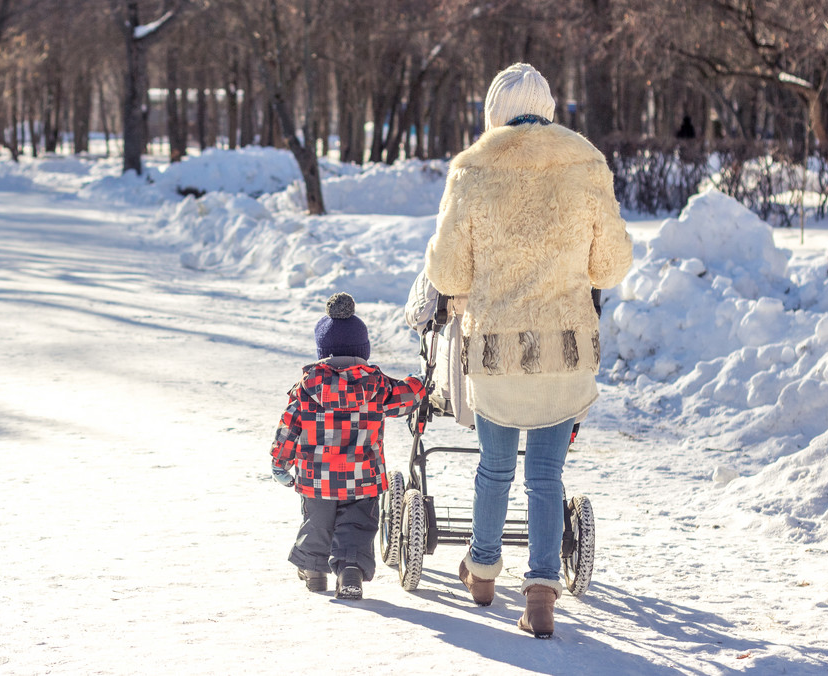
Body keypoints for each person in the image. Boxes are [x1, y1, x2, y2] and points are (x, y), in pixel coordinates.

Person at [421, 63, 633, 637]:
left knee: (494, 467)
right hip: (565, 351)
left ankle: (482, 570)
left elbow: (445, 271)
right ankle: (541, 591)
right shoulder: (585, 162)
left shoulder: (472, 167)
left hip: (497, 353)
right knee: (546, 474)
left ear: (494, 111)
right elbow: (609, 265)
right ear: (549, 106)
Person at [270, 292, 426, 600]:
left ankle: (314, 572)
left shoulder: (305, 388)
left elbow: (288, 428)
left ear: (322, 351)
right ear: (363, 350)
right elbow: (406, 398)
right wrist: (420, 384)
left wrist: (280, 463)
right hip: (363, 478)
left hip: (316, 479)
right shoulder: (377, 385)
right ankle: (350, 571)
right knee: (356, 526)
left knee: (316, 523)